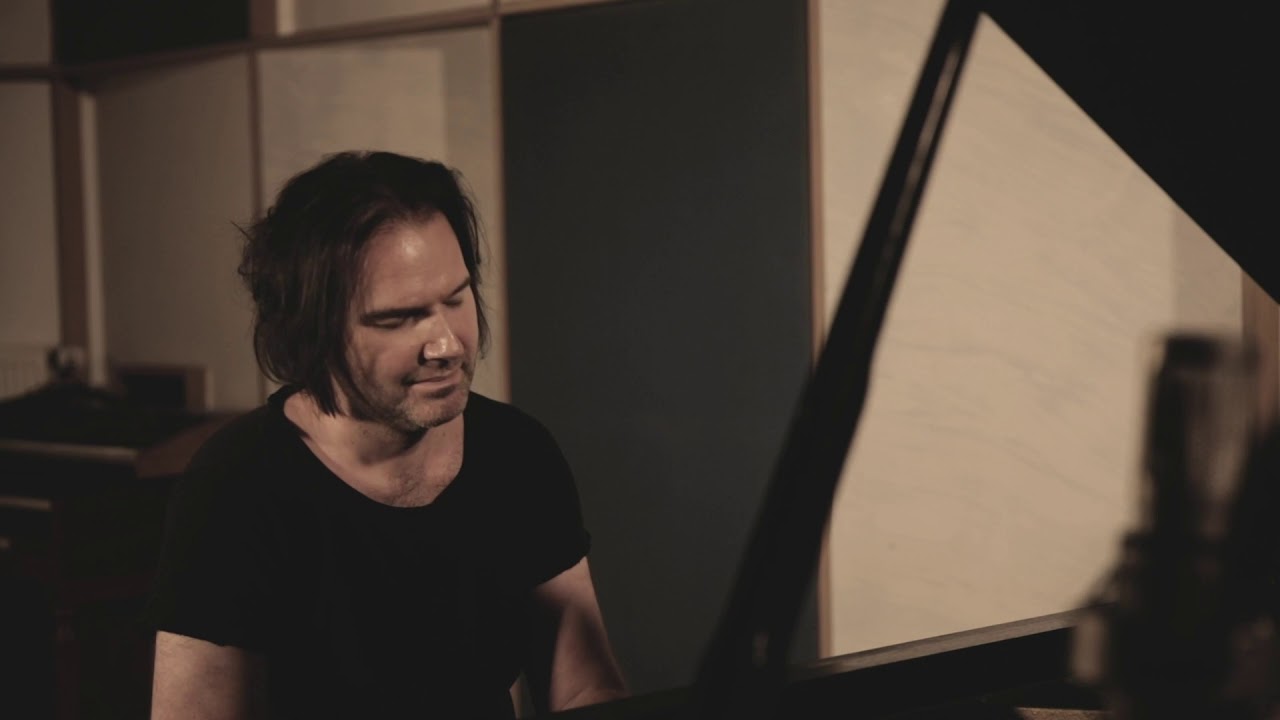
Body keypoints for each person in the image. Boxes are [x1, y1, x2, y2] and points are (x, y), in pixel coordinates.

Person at [146, 150, 628, 719]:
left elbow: (584, 691)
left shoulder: (517, 454)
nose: (446, 344)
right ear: (314, 330)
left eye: (456, 298)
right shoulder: (236, 486)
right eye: (399, 318)